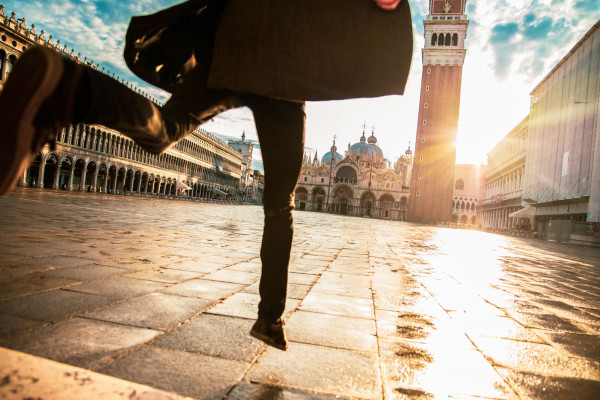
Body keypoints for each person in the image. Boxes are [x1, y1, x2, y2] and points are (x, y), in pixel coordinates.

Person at [0, 0, 412, 350]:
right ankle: (270, 318)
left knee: (165, 129)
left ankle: (72, 83)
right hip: (288, 66)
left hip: (233, 39)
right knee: (278, 204)